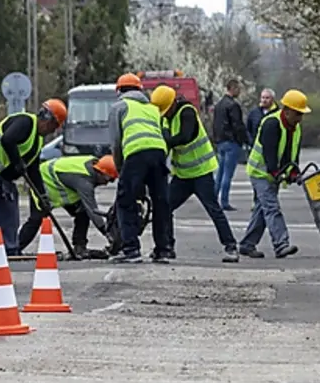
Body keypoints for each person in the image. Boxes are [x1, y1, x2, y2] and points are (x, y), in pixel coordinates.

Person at [0, 99, 68, 256]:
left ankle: (10, 248)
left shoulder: (37, 140)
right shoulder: (25, 122)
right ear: (49, 121)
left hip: (2, 176)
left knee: (9, 212)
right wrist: (17, 162)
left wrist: (42, 196)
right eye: (54, 127)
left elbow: (33, 170)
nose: (52, 132)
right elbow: (8, 139)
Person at [150, 85, 239, 263]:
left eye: (166, 110)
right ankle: (167, 246)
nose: (165, 114)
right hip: (182, 175)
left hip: (201, 172)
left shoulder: (187, 112)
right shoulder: (165, 119)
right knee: (165, 208)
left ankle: (230, 246)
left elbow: (185, 137)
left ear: (173, 103)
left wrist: (166, 139)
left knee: (214, 210)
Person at [108, 73, 173, 264]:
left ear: (119, 90)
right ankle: (163, 250)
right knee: (160, 202)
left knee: (125, 200)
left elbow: (116, 143)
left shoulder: (119, 107)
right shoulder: (153, 109)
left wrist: (121, 169)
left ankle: (131, 250)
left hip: (135, 154)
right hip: (158, 154)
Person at [239, 88, 309, 259]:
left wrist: (294, 171)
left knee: (262, 210)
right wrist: (277, 173)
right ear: (287, 111)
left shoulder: (295, 127)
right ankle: (281, 244)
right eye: (298, 114)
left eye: (301, 114)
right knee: (271, 208)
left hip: (271, 173)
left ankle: (247, 244)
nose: (300, 118)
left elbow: (292, 153)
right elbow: (269, 154)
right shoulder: (271, 123)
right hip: (260, 172)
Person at [17, 154, 118, 257]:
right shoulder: (84, 182)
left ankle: (79, 247)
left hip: (62, 186)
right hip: (42, 183)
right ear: (100, 173)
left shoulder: (93, 164)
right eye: (109, 179)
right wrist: (107, 232)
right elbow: (92, 210)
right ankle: (15, 249)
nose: (107, 184)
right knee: (36, 219)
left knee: (82, 212)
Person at [212, 79, 248, 211]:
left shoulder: (218, 105)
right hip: (231, 142)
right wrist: (244, 140)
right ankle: (224, 201)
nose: (240, 92)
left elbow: (215, 124)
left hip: (220, 141)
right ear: (233, 88)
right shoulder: (233, 106)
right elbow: (238, 125)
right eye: (238, 89)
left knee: (220, 173)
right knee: (228, 174)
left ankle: (213, 199)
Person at [246, 88, 279, 209]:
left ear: (272, 99)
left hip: (271, 151)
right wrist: (251, 142)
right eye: (263, 97)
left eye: (267, 98)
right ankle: (257, 201)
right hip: (256, 151)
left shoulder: (277, 114)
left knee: (270, 179)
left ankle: (267, 201)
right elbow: (248, 129)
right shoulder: (254, 113)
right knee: (257, 179)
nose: (264, 100)